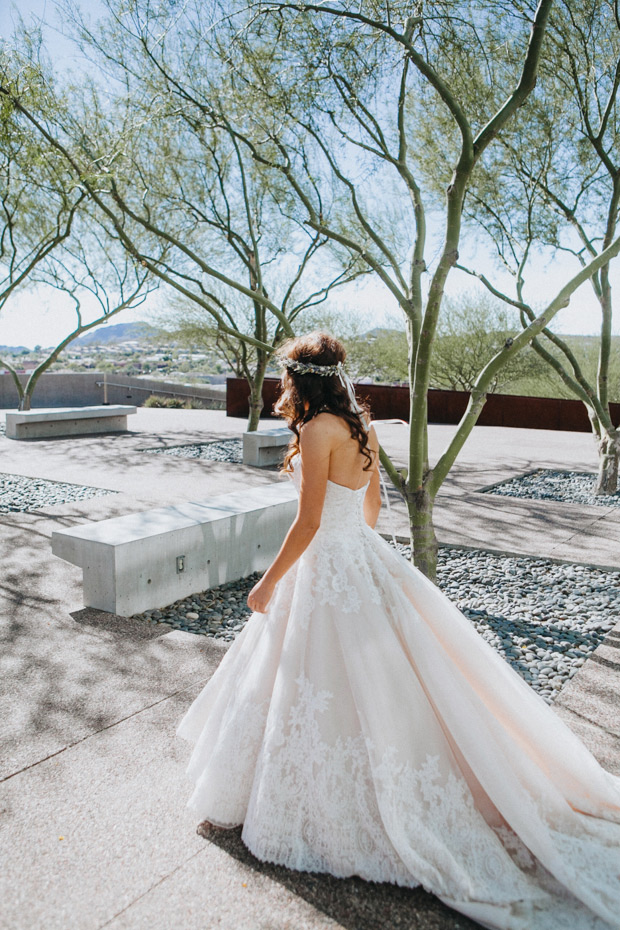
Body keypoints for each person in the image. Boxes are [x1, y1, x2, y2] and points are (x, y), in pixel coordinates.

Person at [177, 332, 620, 930]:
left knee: (317, 676)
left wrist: (269, 583)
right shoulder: (360, 421)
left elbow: (307, 522)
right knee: (388, 677)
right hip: (361, 554)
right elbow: (373, 505)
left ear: (297, 381)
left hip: (329, 564)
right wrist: (359, 549)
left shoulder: (313, 431)